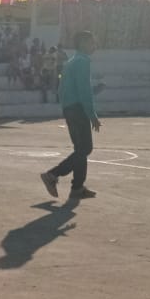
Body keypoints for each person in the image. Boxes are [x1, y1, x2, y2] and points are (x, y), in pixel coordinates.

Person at [40, 30, 101, 201]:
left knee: (80, 150)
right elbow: (84, 91)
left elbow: (61, 89)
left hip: (69, 108)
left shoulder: (71, 62)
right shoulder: (82, 61)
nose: (94, 45)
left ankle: (77, 187)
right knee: (85, 149)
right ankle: (53, 174)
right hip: (78, 109)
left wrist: (67, 107)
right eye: (91, 42)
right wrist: (92, 115)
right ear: (82, 43)